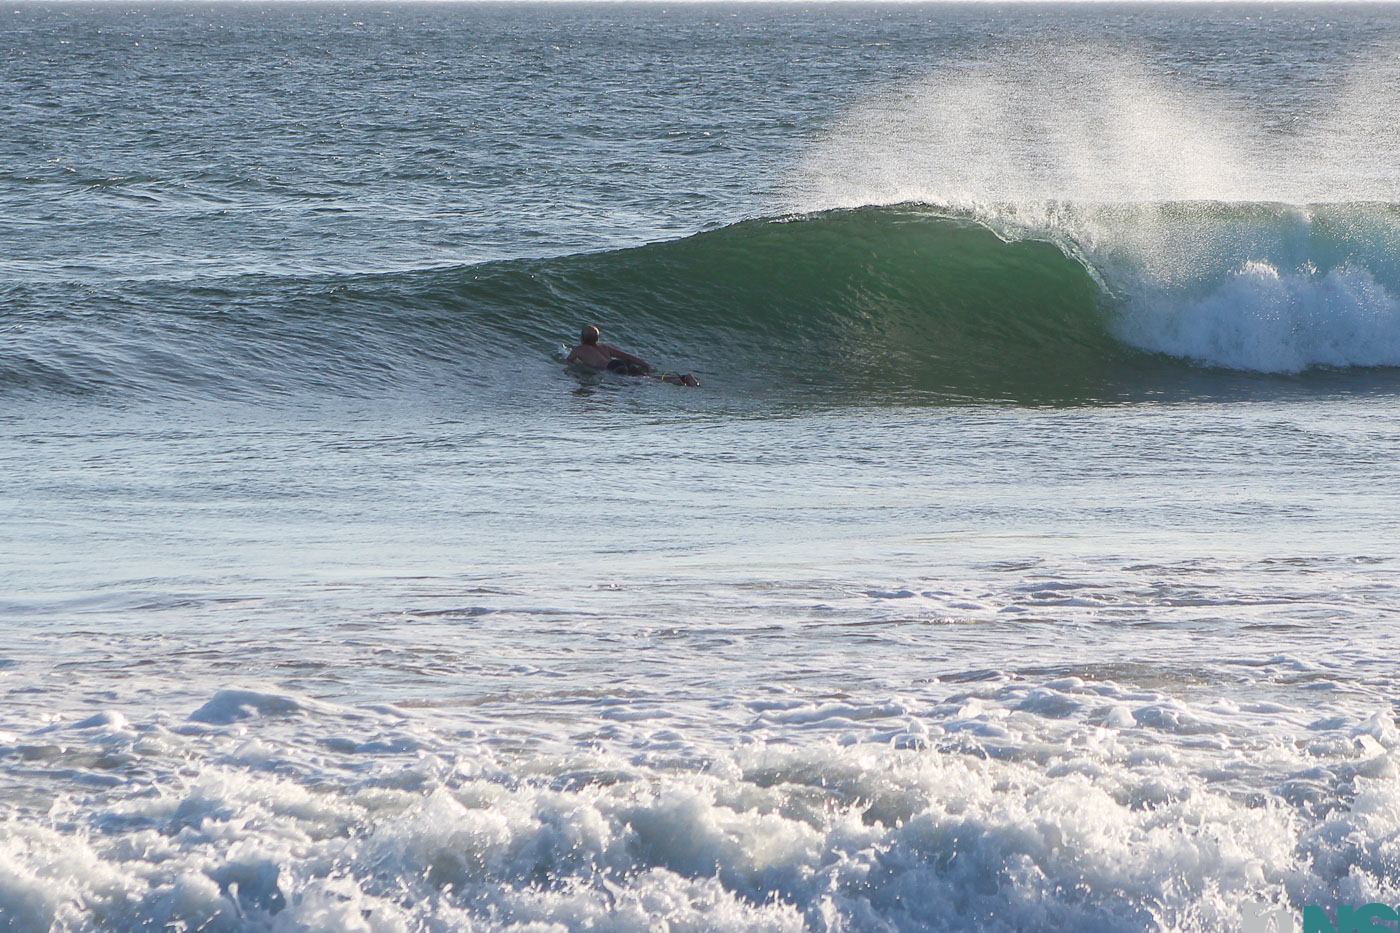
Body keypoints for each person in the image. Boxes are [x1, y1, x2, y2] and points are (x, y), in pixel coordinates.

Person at [566, 325, 699, 386]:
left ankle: (676, 381)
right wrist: (645, 364)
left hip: (613, 367)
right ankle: (684, 377)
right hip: (622, 363)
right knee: (647, 377)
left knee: (645, 381)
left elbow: (568, 362)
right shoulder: (604, 347)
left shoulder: (579, 349)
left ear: (582, 337)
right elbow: (626, 356)